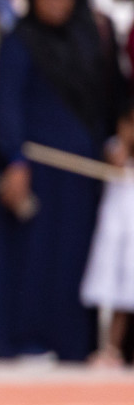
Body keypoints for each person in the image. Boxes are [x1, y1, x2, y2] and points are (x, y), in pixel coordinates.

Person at [0, 0, 118, 362]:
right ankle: (23, 337)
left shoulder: (84, 44)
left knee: (72, 257)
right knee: (31, 254)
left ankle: (69, 341)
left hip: (79, 175)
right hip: (36, 168)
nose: (57, 3)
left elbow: (101, 104)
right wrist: (16, 160)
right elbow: (9, 104)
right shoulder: (20, 42)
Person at [81, 111, 134, 367]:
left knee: (127, 291)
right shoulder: (114, 147)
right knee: (109, 288)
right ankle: (108, 348)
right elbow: (114, 162)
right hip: (115, 228)